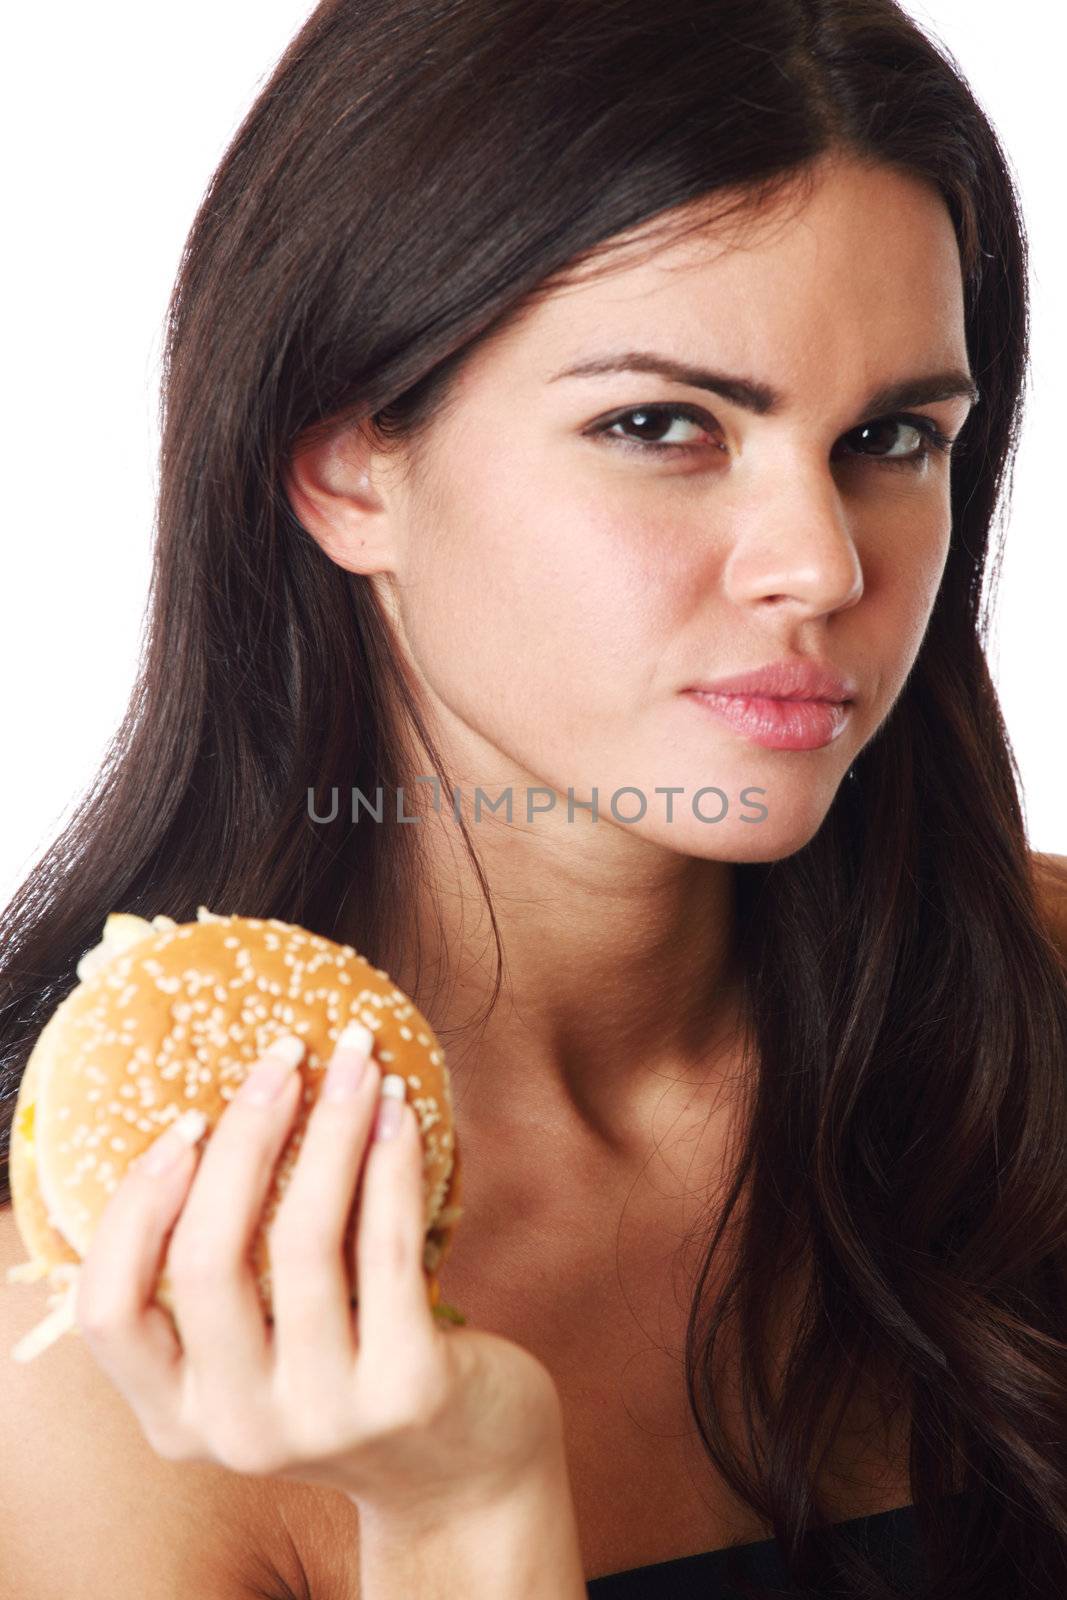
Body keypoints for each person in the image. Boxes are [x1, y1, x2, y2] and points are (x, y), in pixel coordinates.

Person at [2, 0, 1065, 1595]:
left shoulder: (1036, 1010)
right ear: (351, 464)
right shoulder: (88, 1320)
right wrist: (455, 1517)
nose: (823, 564)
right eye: (661, 425)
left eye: (892, 438)